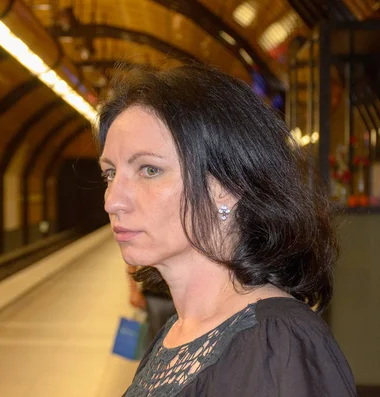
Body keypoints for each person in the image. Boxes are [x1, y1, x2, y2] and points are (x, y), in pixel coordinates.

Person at [97, 63, 357, 396]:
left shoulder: (280, 343)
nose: (113, 200)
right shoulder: (175, 335)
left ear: (229, 187)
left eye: (149, 169)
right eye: (110, 174)